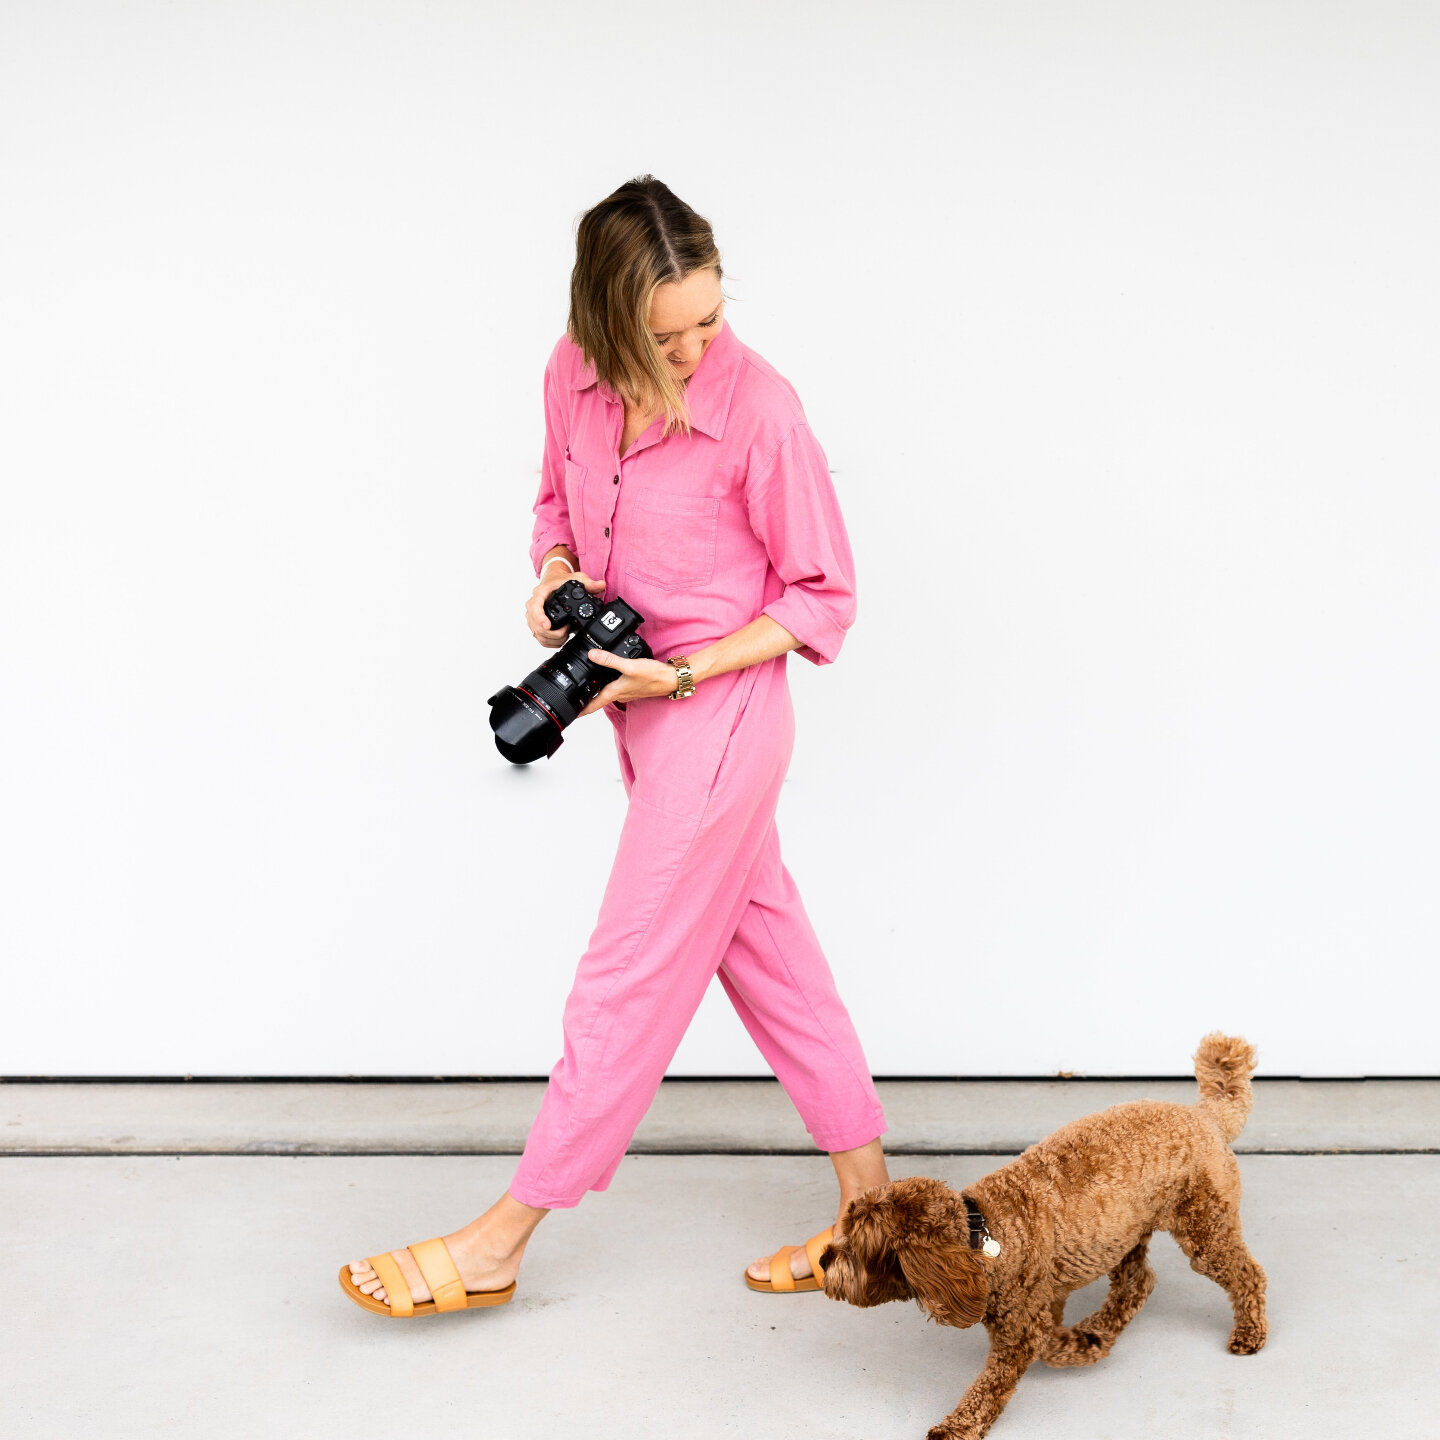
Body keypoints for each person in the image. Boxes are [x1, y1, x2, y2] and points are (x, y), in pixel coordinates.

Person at [341, 174, 890, 1317]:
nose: (696, 349)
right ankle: (872, 1216)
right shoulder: (569, 375)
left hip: (721, 716)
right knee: (773, 956)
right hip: (630, 714)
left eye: (711, 319)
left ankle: (504, 1236)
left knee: (624, 975)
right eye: (667, 332)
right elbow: (553, 505)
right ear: (606, 322)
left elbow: (823, 595)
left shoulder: (763, 410)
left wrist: (685, 669)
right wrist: (553, 582)